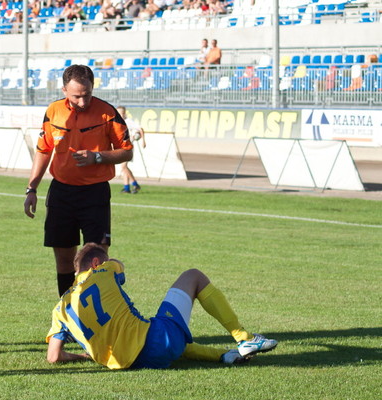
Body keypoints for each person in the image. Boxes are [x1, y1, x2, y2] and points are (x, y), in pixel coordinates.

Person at [46, 243, 278, 369]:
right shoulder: (103, 270)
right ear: (96, 263)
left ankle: (225, 356)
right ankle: (244, 337)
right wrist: (107, 262)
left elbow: (53, 357)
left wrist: (83, 356)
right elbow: (118, 265)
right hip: (157, 341)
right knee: (193, 276)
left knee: (156, 331)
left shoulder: (59, 310)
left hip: (133, 363)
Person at [23, 64, 133, 296]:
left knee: (97, 259)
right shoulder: (53, 111)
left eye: (87, 95)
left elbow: (127, 152)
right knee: (64, 258)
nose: (83, 102)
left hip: (95, 193)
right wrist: (31, 188)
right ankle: (67, 310)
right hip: (61, 193)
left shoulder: (107, 113)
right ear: (64, 90)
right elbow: (44, 150)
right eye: (76, 96)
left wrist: (98, 157)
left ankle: (98, 311)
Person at [116, 106, 145, 194]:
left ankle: (135, 184)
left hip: (128, 147)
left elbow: (140, 129)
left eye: (122, 113)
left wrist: (143, 141)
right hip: (122, 147)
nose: (120, 115)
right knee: (124, 168)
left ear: (125, 113)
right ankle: (126, 188)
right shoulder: (117, 122)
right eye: (118, 113)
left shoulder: (128, 121)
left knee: (123, 166)